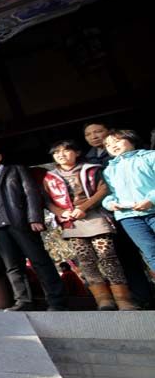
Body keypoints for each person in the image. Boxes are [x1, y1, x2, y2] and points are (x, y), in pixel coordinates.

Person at [42, 140, 136, 311]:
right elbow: (47, 201)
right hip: (71, 221)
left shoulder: (91, 169)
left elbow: (103, 190)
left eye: (65, 151)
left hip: (95, 216)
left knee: (108, 256)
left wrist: (83, 208)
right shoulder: (49, 177)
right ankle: (103, 299)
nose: (61, 155)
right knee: (85, 260)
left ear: (77, 153)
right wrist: (61, 213)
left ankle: (123, 299)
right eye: (56, 153)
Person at [0, 147, 68, 312]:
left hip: (21, 223)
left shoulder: (16, 171)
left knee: (39, 260)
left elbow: (31, 193)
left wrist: (34, 218)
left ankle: (56, 301)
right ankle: (23, 301)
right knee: (12, 266)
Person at [102, 129, 155, 274]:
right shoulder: (109, 170)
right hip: (128, 217)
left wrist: (151, 199)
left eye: (117, 141)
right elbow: (109, 194)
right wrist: (109, 203)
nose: (112, 146)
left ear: (131, 140)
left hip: (153, 210)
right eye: (108, 145)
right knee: (150, 252)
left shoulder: (150, 157)